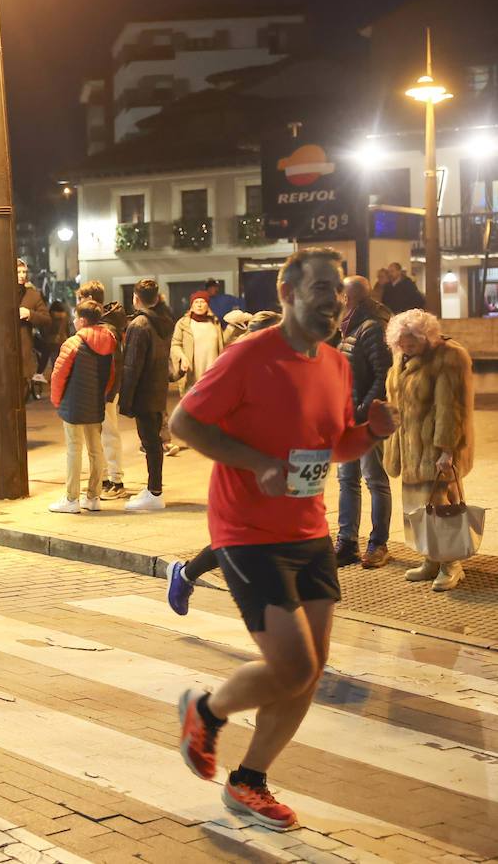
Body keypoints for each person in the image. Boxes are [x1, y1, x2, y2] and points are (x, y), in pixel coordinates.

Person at [169, 247, 398, 832]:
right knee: (293, 666)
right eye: (320, 287)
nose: (332, 299)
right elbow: (184, 423)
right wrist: (255, 461)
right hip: (246, 532)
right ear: (288, 295)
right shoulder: (248, 356)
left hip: (310, 529)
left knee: (311, 669)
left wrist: (368, 433)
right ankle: (207, 711)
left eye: (337, 290)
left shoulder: (337, 364)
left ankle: (249, 781)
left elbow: (334, 445)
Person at [165, 310, 282, 614]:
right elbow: (188, 421)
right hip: (241, 472)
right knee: (240, 540)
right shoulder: (233, 368)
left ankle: (186, 574)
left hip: (278, 469)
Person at [383, 308, 475, 591]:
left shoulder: (449, 356)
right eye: (402, 342)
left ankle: (452, 564)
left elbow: (451, 408)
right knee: (417, 507)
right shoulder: (402, 357)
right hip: (410, 446)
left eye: (412, 341)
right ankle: (431, 559)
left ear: (427, 336)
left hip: (436, 449)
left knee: (442, 507)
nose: (406, 346)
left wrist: (447, 451)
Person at [334, 277, 394, 568]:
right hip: (347, 418)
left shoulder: (371, 327)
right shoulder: (348, 326)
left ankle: (378, 544)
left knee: (374, 480)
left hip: (366, 420)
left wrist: (363, 411)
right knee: (347, 480)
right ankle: (347, 543)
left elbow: (383, 376)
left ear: (348, 298)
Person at [48, 301, 118, 514]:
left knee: (74, 450)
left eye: (76, 317)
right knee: (96, 451)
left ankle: (71, 498)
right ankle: (93, 496)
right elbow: (111, 374)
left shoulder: (73, 343)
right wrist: (101, 395)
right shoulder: (109, 341)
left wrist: (57, 401)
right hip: (95, 403)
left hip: (73, 404)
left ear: (83, 320)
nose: (74, 320)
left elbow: (58, 376)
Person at [117, 279, 174, 511]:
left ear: (136, 298)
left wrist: (126, 401)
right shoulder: (162, 321)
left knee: (150, 443)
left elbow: (132, 366)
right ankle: (153, 489)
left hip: (144, 392)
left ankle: (154, 491)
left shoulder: (140, 325)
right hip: (158, 389)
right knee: (153, 442)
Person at [77, 280, 128, 499]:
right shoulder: (101, 325)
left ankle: (115, 480)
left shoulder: (106, 328)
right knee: (99, 435)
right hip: (97, 389)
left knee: (108, 433)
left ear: (89, 299)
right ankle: (105, 478)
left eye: (80, 298)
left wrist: (108, 393)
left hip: (104, 391)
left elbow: (114, 364)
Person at [171, 291, 224, 394]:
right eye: (196, 302)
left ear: (208, 305)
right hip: (192, 376)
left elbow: (222, 345)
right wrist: (182, 357)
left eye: (202, 302)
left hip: (212, 375)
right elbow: (175, 344)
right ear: (191, 305)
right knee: (192, 406)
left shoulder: (215, 323)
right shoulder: (183, 323)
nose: (199, 305)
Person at [16, 260, 50, 389]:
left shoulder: (33, 296)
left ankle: (38, 375)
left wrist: (29, 314)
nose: (22, 275)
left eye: (24, 272)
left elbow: (46, 319)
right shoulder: (2, 295)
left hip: (25, 350)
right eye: (18, 272)